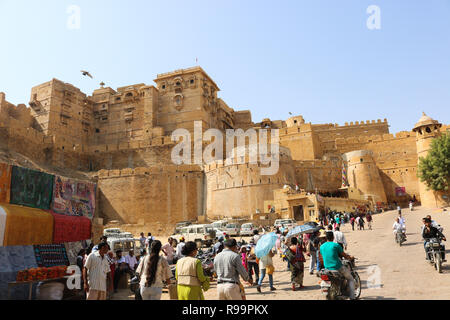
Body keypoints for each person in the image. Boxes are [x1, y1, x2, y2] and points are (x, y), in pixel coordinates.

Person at [320, 231, 356, 300]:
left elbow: (324, 257)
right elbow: (344, 255)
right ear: (333, 237)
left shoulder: (321, 247)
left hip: (327, 268)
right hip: (337, 267)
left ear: (326, 238)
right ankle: (352, 297)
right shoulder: (336, 245)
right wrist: (350, 257)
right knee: (350, 278)